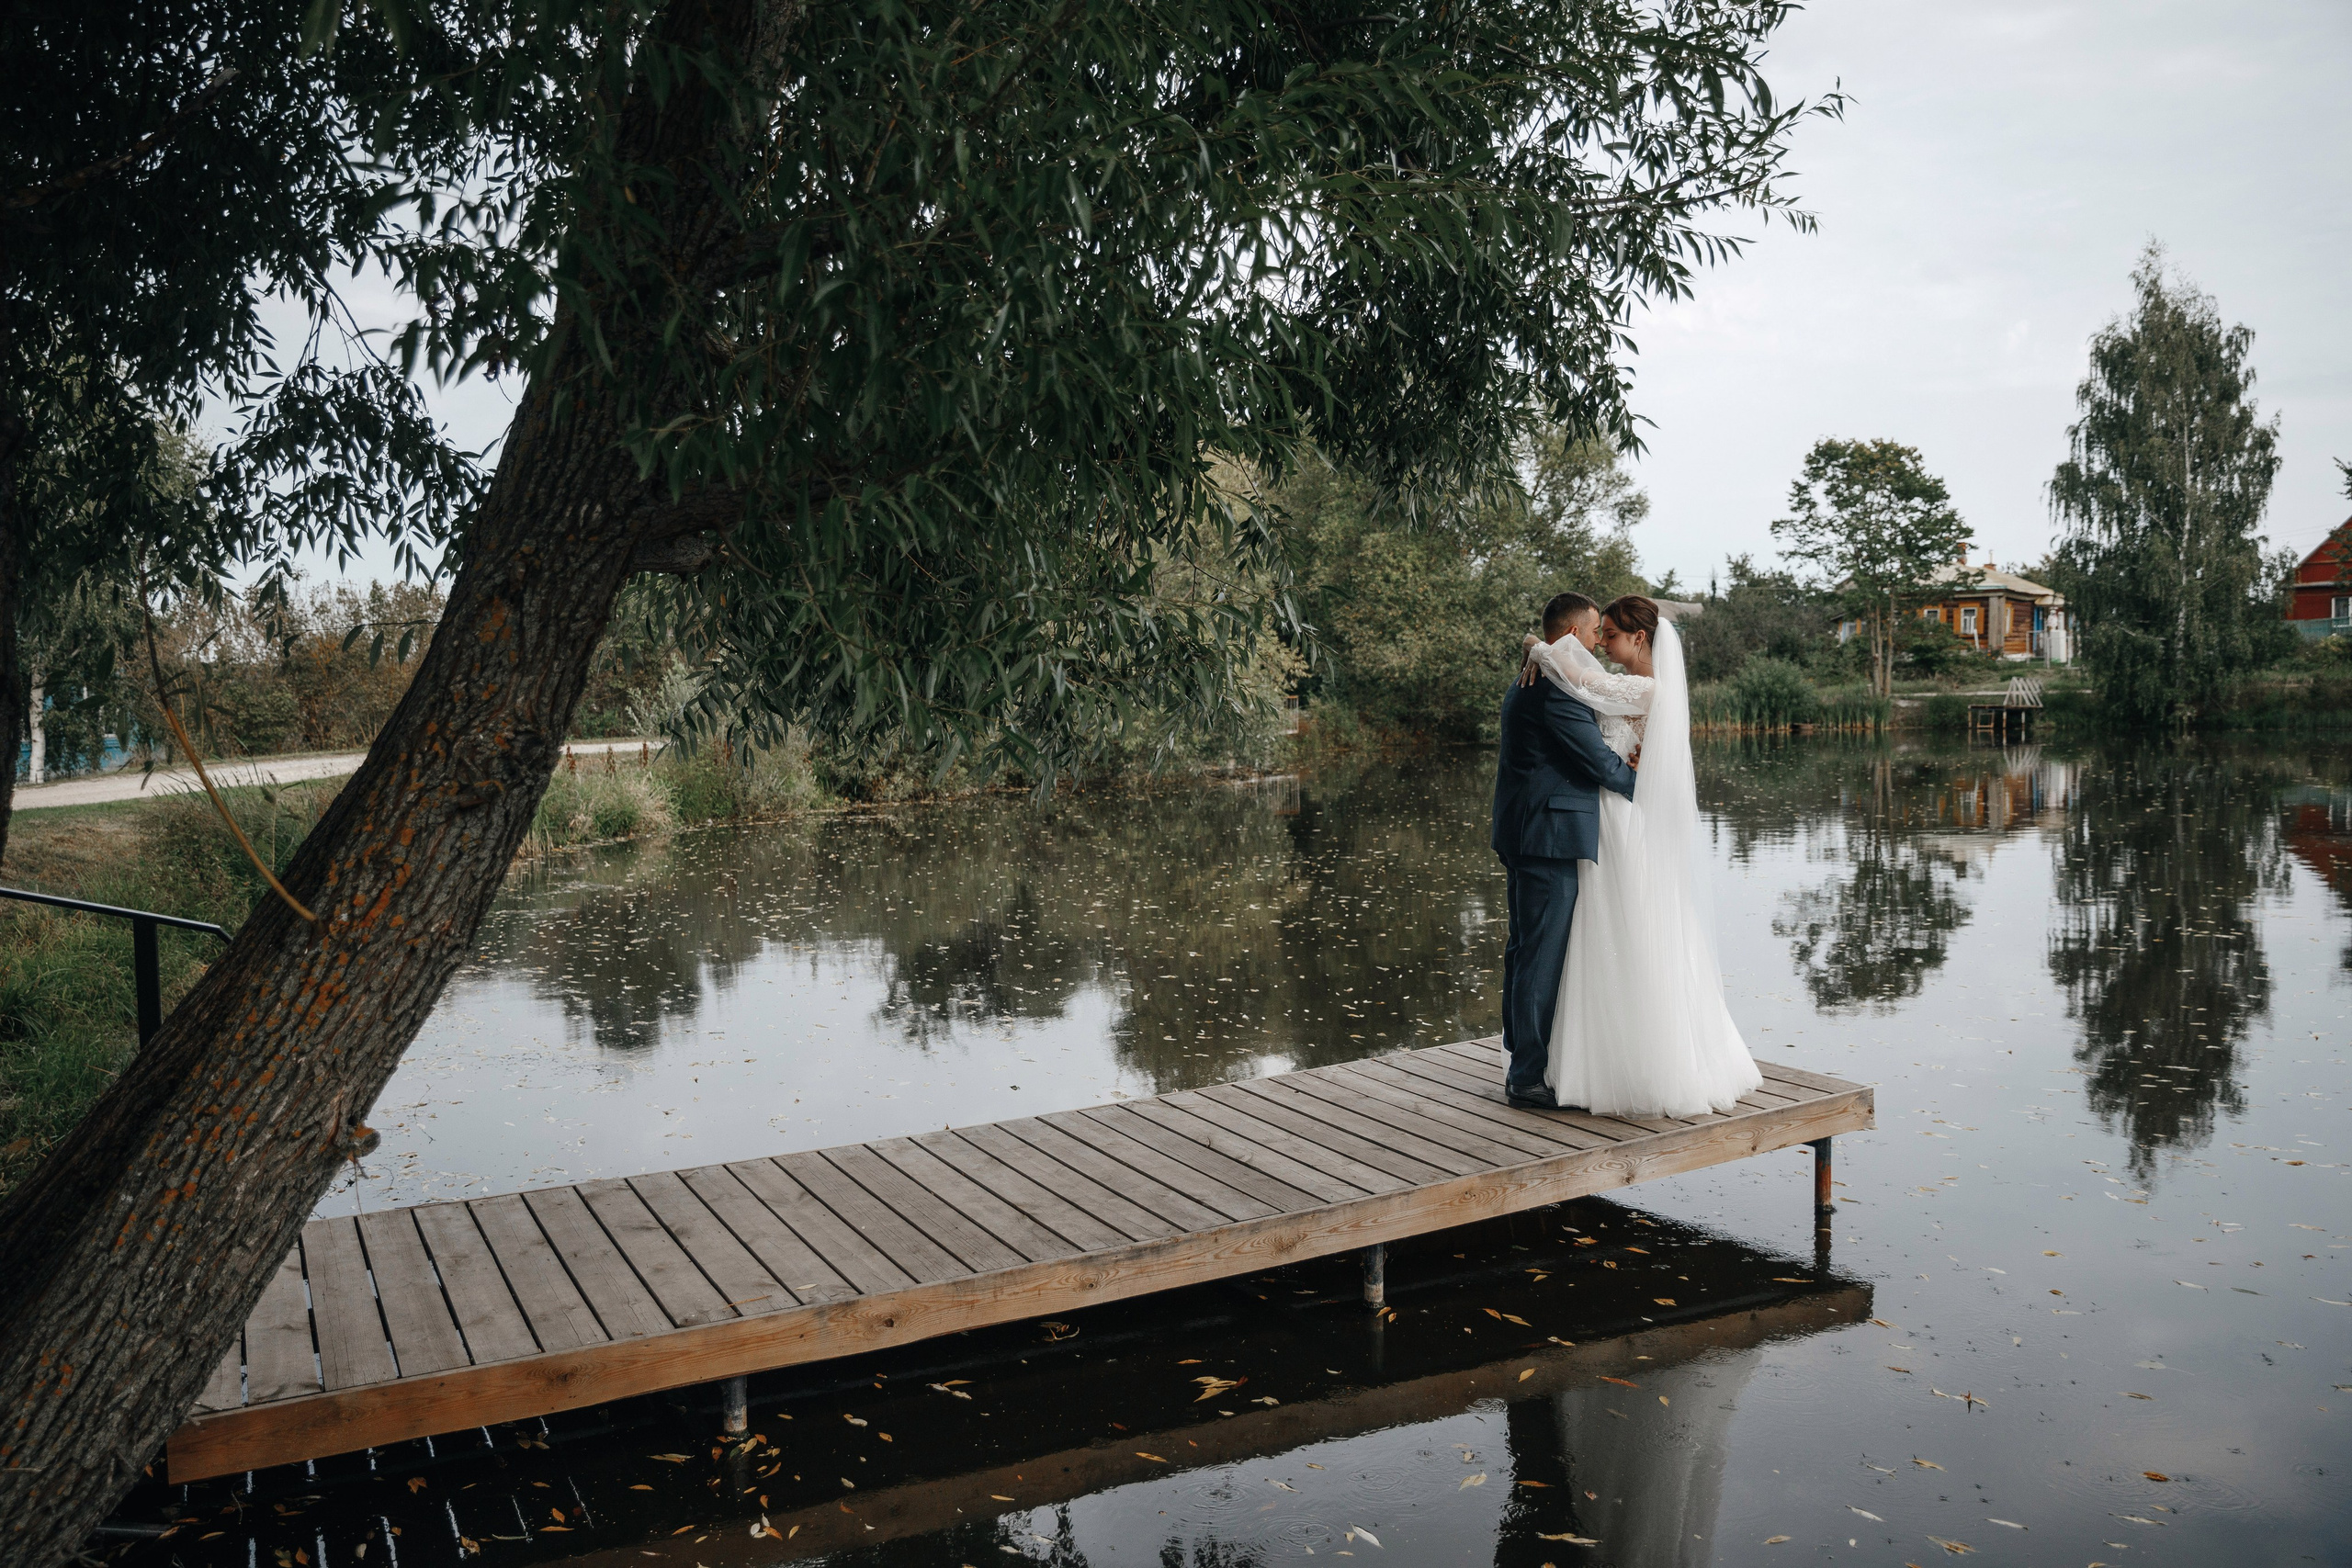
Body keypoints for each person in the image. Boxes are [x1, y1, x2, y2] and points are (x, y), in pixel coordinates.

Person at [1516, 594, 1763, 1118]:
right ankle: (1575, 1060)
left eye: (1609, 634)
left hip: (1615, 815)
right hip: (1601, 818)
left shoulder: (1645, 688)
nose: (1602, 642)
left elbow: (1582, 681)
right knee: (1599, 933)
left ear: (1640, 639)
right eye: (1598, 632)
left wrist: (1535, 645)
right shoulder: (1643, 688)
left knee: (1614, 928)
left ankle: (1606, 1063)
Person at [1488, 592, 1637, 1109]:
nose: (1600, 641)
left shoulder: (1542, 674)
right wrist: (1651, 790)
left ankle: (1523, 1056)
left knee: (1525, 948)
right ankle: (1527, 1077)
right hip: (1546, 837)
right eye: (1596, 631)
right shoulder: (1554, 686)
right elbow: (1596, 760)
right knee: (1539, 953)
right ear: (1574, 635)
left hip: (1527, 830)